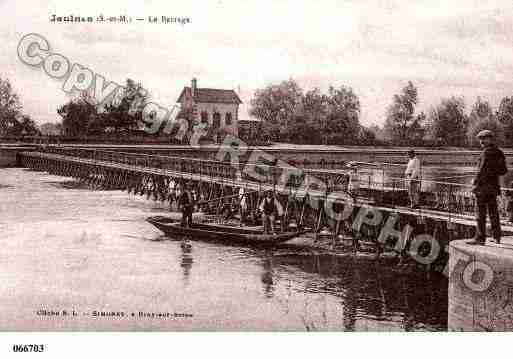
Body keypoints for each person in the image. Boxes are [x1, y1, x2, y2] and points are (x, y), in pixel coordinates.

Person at [469, 130, 508, 245]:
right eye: (480, 139)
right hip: (493, 187)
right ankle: (497, 237)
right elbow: (503, 171)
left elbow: (480, 171)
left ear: (490, 139)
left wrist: (474, 184)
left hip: (482, 188)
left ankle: (480, 238)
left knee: (480, 213)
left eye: (483, 139)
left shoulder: (485, 153)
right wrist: (493, 172)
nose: (481, 141)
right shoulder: (499, 152)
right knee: (493, 212)